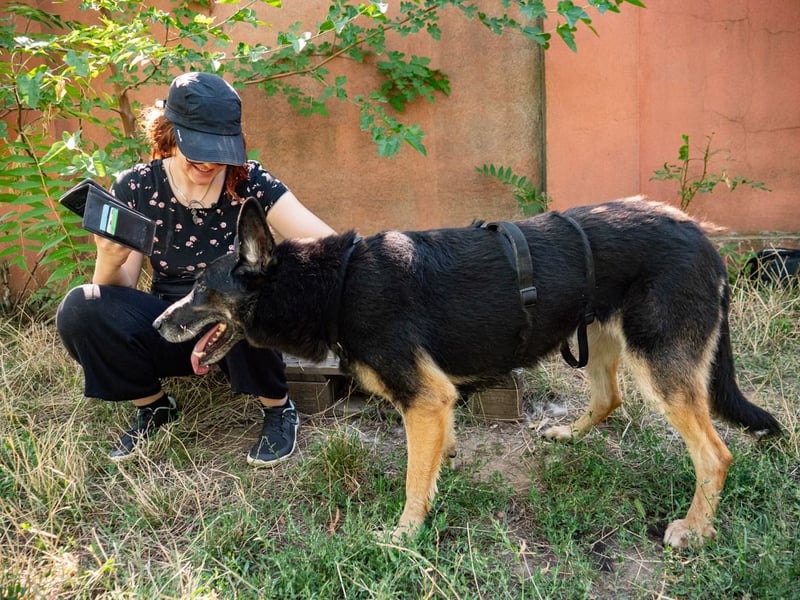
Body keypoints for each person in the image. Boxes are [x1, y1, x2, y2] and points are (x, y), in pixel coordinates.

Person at [56, 72, 335, 465]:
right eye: (196, 151)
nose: (208, 163)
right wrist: (110, 258)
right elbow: (115, 295)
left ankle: (278, 407)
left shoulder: (251, 181)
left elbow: (326, 244)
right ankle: (154, 406)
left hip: (239, 328)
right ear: (169, 132)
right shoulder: (137, 186)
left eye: (219, 151)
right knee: (81, 307)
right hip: (175, 319)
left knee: (247, 291)